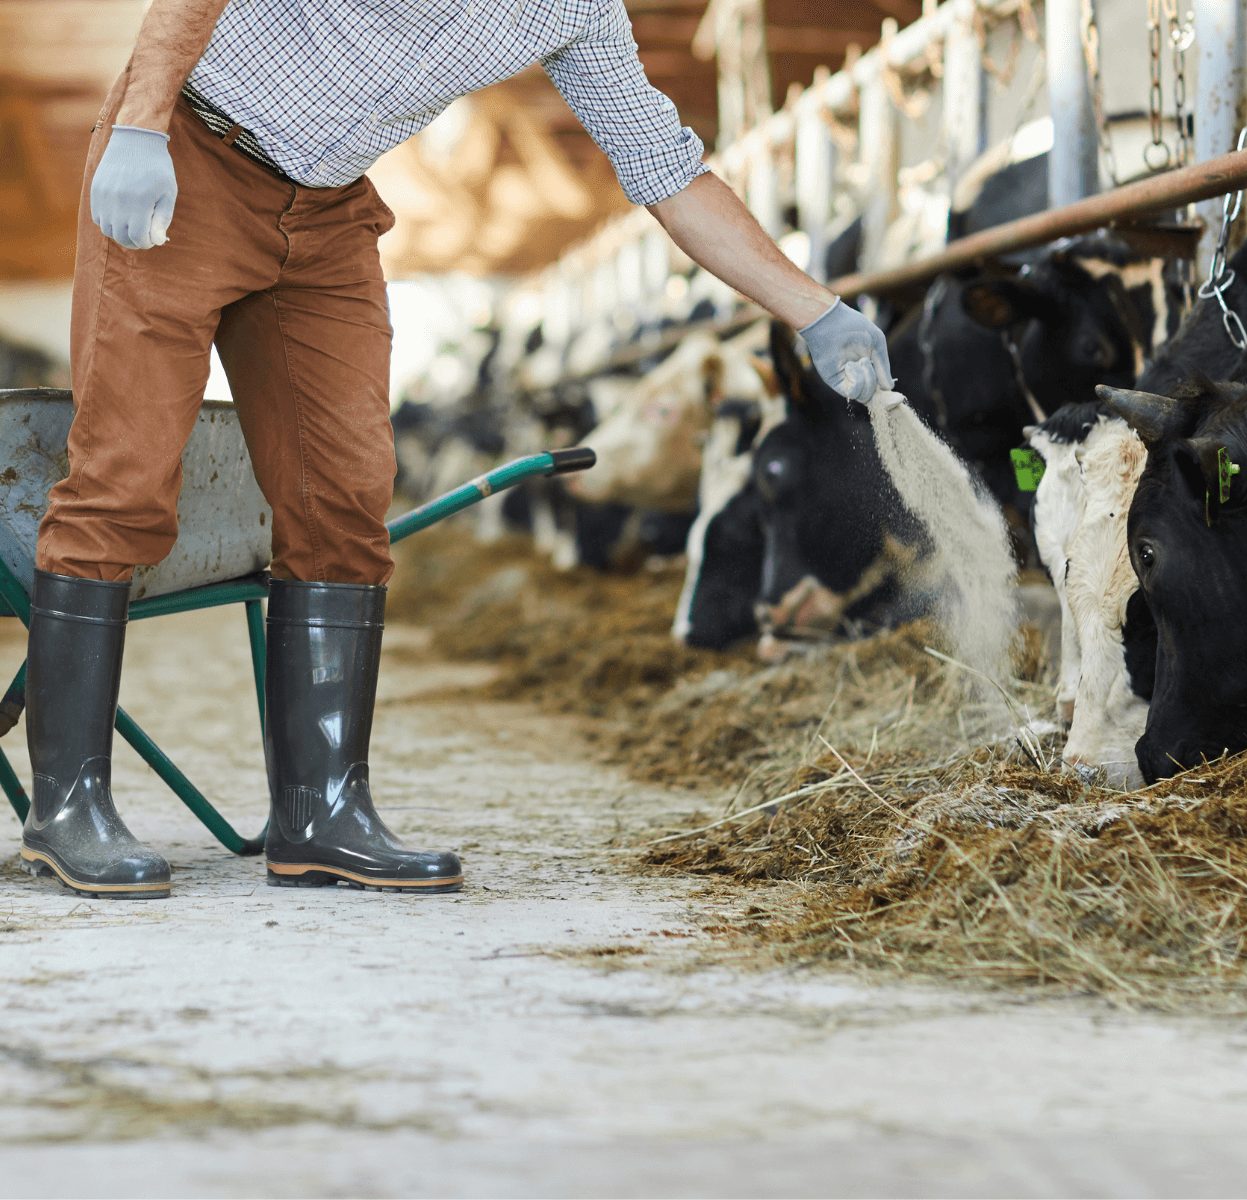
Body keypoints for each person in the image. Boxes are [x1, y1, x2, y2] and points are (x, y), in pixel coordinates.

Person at [22, 0, 893, 900]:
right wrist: (139, 122)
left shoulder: (579, 11)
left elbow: (665, 172)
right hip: (187, 151)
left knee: (347, 501)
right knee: (124, 481)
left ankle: (321, 813)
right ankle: (68, 806)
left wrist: (813, 308)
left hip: (325, 213)